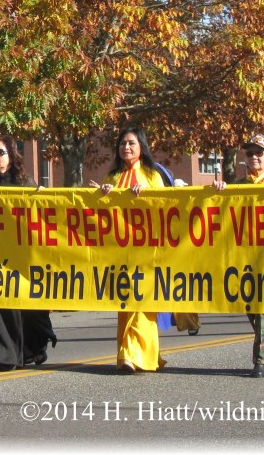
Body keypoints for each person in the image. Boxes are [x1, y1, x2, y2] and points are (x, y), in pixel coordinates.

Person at [0, 135, 56, 371]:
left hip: (24, 256)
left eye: (0, 153)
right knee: (0, 305)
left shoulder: (24, 181)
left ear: (11, 155)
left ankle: (34, 348)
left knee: (29, 308)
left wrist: (41, 196)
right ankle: (4, 357)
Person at [88, 126, 168, 374]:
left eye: (131, 143)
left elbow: (166, 207)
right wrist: (101, 196)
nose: (127, 148)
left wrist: (144, 198)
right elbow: (104, 212)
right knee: (126, 303)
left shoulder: (152, 176)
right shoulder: (112, 177)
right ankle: (131, 353)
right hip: (121, 250)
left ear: (141, 146)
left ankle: (132, 355)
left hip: (147, 250)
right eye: (123, 144)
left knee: (142, 302)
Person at [213, 134, 264, 378]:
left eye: (260, 152)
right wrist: (219, 192)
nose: (254, 157)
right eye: (250, 153)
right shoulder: (237, 185)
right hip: (245, 255)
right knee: (250, 304)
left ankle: (262, 359)